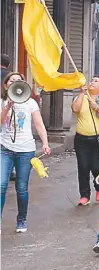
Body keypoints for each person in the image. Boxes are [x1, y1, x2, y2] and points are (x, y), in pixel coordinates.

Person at [1, 72, 51, 233]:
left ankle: (21, 220)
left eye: (18, 81)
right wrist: (7, 107)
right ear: (6, 85)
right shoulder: (2, 102)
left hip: (26, 150)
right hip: (5, 148)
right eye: (11, 81)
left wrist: (45, 143)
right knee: (1, 184)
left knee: (21, 187)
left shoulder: (30, 103)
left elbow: (39, 124)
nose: (14, 82)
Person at [71, 76, 99, 205]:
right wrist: (81, 93)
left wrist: (96, 107)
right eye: (91, 80)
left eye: (96, 81)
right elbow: (75, 109)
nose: (92, 82)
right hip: (82, 139)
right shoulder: (82, 97)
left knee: (98, 166)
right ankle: (84, 195)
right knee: (83, 167)